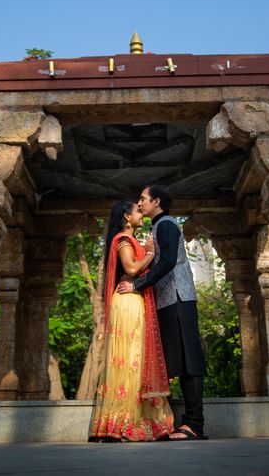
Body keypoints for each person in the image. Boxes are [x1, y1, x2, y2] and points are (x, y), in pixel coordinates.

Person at [117, 184, 208, 440]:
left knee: (189, 361)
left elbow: (167, 261)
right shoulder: (158, 227)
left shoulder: (166, 224)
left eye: (143, 199)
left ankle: (194, 425)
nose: (140, 203)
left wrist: (138, 284)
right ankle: (170, 422)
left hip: (179, 299)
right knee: (173, 361)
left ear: (156, 201)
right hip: (168, 302)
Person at [89, 199, 175, 441]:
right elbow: (132, 269)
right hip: (127, 302)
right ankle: (122, 421)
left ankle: (141, 420)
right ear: (127, 217)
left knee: (136, 357)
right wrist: (149, 252)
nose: (141, 214)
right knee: (129, 357)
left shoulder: (130, 240)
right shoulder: (124, 240)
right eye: (138, 211)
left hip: (133, 300)